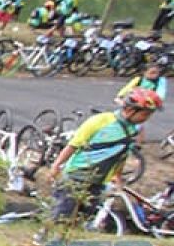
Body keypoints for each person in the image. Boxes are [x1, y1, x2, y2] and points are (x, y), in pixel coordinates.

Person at [46, 89, 162, 224]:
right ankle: (43, 241)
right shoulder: (101, 121)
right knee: (61, 215)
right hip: (76, 176)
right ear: (131, 110)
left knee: (81, 220)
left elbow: (121, 155)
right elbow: (73, 145)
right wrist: (56, 165)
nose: (146, 119)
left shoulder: (132, 131)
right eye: (145, 114)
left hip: (98, 183)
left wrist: (117, 177)